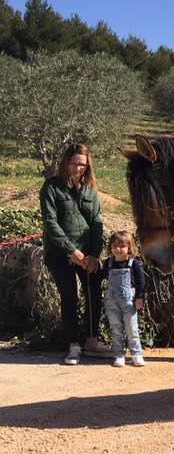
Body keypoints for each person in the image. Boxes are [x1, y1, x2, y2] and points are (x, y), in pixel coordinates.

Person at [39, 143, 111, 365]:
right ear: (65, 163)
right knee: (69, 297)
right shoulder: (51, 187)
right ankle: (73, 346)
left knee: (93, 295)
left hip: (87, 255)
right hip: (60, 254)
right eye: (74, 163)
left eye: (82, 164)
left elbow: (97, 222)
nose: (78, 168)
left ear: (87, 165)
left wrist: (94, 254)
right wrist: (72, 250)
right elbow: (50, 223)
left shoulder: (90, 189)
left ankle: (91, 341)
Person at [99, 230, 146, 367]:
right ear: (110, 248)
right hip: (112, 302)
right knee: (116, 328)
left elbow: (141, 282)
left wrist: (139, 297)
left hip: (129, 302)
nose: (118, 249)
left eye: (122, 246)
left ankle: (136, 353)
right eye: (114, 246)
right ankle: (119, 354)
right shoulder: (108, 263)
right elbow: (101, 276)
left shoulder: (134, 264)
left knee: (132, 328)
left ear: (129, 248)